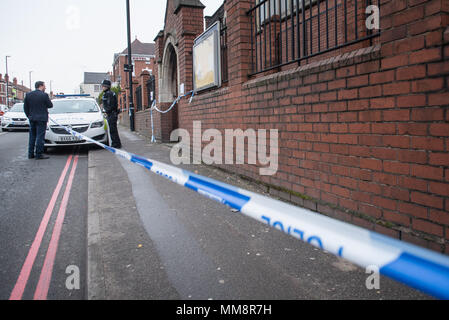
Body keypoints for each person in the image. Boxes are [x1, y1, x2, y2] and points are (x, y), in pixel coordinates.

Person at [24, 81, 53, 160]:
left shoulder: (28, 95)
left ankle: (30, 154)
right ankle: (39, 154)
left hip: (32, 118)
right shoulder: (44, 95)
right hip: (42, 119)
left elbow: (25, 108)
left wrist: (29, 116)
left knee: (32, 136)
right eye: (44, 86)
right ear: (41, 86)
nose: (45, 87)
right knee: (40, 136)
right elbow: (50, 105)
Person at [101, 79, 122, 148]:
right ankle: (116, 143)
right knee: (113, 129)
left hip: (112, 114)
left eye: (103, 86)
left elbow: (111, 105)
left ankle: (116, 144)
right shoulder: (110, 93)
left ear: (106, 86)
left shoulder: (108, 94)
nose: (102, 87)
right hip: (112, 114)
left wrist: (107, 111)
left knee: (113, 130)